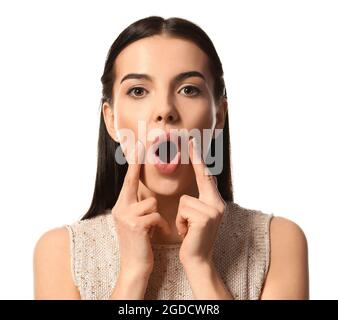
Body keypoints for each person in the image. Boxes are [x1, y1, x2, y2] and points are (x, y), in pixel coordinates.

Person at [33, 16, 309, 300]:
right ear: (111, 120)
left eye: (188, 89)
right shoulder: (61, 252)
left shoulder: (278, 242)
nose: (165, 110)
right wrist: (132, 273)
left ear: (219, 117)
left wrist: (201, 267)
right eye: (138, 91)